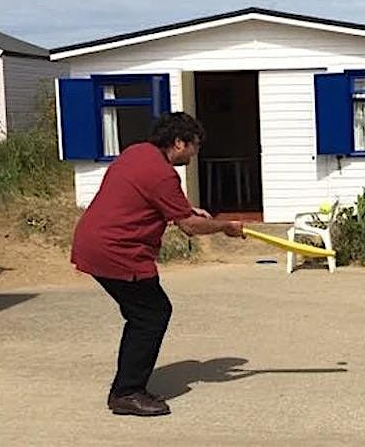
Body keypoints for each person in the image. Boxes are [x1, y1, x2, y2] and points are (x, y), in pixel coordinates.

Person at [71, 112, 246, 416]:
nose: (195, 154)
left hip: (93, 243)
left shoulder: (136, 152)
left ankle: (128, 385)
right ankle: (126, 392)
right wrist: (224, 226)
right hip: (117, 251)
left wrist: (187, 209)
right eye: (194, 146)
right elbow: (189, 226)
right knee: (151, 315)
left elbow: (152, 199)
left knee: (142, 315)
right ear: (179, 143)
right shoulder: (164, 174)